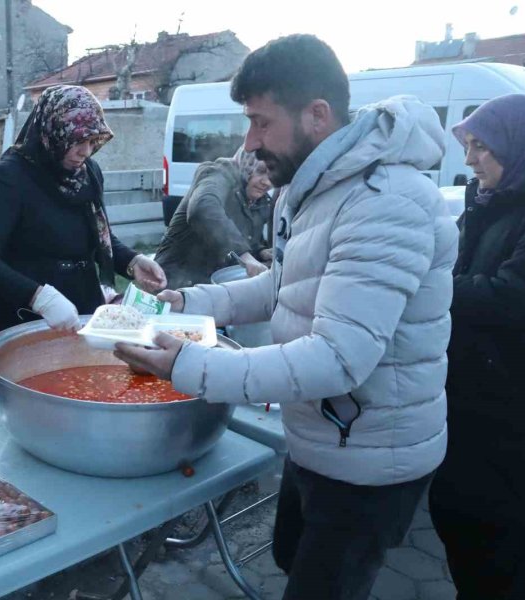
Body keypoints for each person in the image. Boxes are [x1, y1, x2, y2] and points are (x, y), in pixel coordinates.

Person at [115, 35, 458, 600]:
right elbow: (280, 286)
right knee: (289, 554)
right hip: (324, 437)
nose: (248, 143)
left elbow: (338, 358)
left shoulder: (383, 201)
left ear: (316, 116)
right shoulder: (317, 186)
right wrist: (187, 303)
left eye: (260, 123)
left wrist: (190, 365)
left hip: (370, 459)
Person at [0, 85, 166, 404]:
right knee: (30, 402)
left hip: (82, 309)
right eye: (77, 140)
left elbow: (97, 234)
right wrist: (38, 297)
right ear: (52, 132)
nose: (86, 150)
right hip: (26, 317)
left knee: (81, 394)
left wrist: (131, 261)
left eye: (92, 140)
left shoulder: (88, 174)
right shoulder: (12, 178)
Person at [427, 94, 525, 600]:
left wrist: (429, 288)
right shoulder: (487, 202)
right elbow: (457, 268)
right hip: (467, 396)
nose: (468, 159)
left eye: (480, 146)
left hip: (509, 411)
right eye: (467, 145)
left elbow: (513, 297)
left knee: (498, 542)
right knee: (458, 522)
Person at [154, 146, 273, 288]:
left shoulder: (258, 200)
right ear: (246, 165)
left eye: (272, 175)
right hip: (173, 282)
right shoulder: (218, 174)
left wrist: (260, 252)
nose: (266, 182)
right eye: (260, 172)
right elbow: (202, 208)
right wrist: (243, 255)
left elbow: (244, 236)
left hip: (210, 286)